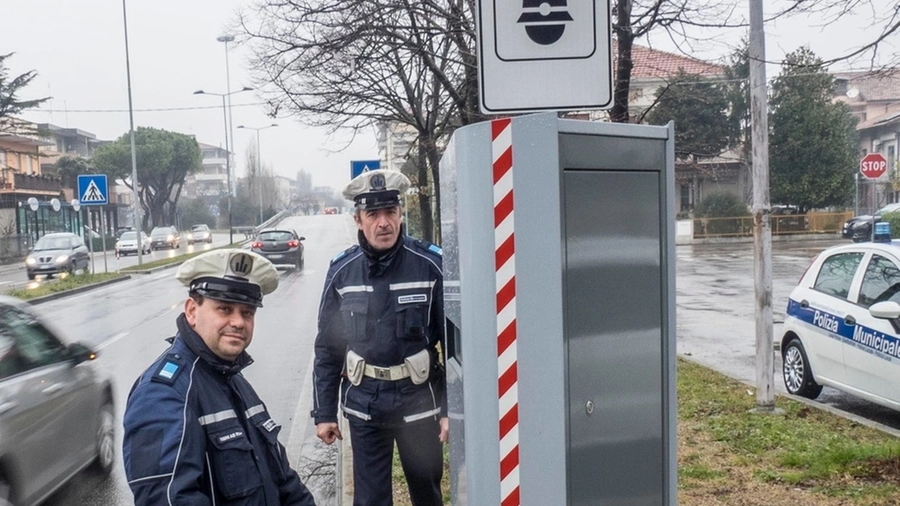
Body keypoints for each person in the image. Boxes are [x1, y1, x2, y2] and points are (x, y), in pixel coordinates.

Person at [122, 249, 317, 506]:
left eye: (247, 312)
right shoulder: (161, 394)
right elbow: (168, 499)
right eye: (224, 309)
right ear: (192, 311)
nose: (238, 322)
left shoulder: (232, 378)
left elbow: (284, 481)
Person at [312, 169, 447, 506]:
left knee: (427, 495)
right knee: (370, 501)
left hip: (419, 402)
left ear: (401, 214)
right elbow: (328, 348)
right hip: (365, 405)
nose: (383, 222)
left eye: (390, 212)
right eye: (373, 214)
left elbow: (457, 344)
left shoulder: (430, 265)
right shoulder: (342, 271)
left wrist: (451, 408)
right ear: (359, 220)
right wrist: (324, 412)